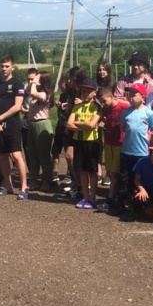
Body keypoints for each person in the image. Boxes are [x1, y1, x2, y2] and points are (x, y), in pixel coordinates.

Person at [0, 55, 29, 200]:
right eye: (2, 66)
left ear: (13, 67)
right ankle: (8, 185)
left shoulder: (17, 83)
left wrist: (0, 118)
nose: (4, 69)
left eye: (7, 66)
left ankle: (23, 187)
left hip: (12, 124)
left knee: (16, 156)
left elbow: (17, 106)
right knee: (1, 156)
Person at [117, 83, 153, 220]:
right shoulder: (126, 112)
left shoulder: (148, 113)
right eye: (129, 94)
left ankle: (140, 206)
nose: (131, 97)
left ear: (143, 96)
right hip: (126, 151)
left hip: (141, 153)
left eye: (134, 94)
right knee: (125, 179)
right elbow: (123, 128)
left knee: (140, 180)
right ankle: (124, 206)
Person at [65, 78, 100, 208]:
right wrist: (82, 126)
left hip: (91, 142)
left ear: (95, 92)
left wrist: (78, 123)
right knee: (82, 171)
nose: (85, 93)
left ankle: (93, 197)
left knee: (92, 171)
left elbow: (91, 125)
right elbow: (68, 124)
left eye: (88, 91)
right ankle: (85, 197)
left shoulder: (96, 107)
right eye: (83, 91)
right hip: (78, 141)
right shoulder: (77, 106)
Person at [96, 86, 129, 211]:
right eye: (101, 102)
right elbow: (104, 119)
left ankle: (110, 199)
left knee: (115, 172)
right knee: (110, 170)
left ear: (111, 96)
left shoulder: (123, 106)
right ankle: (116, 196)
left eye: (104, 101)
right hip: (109, 141)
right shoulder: (104, 109)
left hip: (120, 142)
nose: (103, 104)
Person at [25, 72, 55, 192]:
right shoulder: (35, 92)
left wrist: (35, 82)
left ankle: (47, 180)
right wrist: (32, 83)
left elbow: (32, 92)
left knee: (43, 155)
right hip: (32, 124)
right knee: (32, 154)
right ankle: (33, 179)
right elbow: (28, 90)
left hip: (42, 124)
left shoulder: (45, 94)